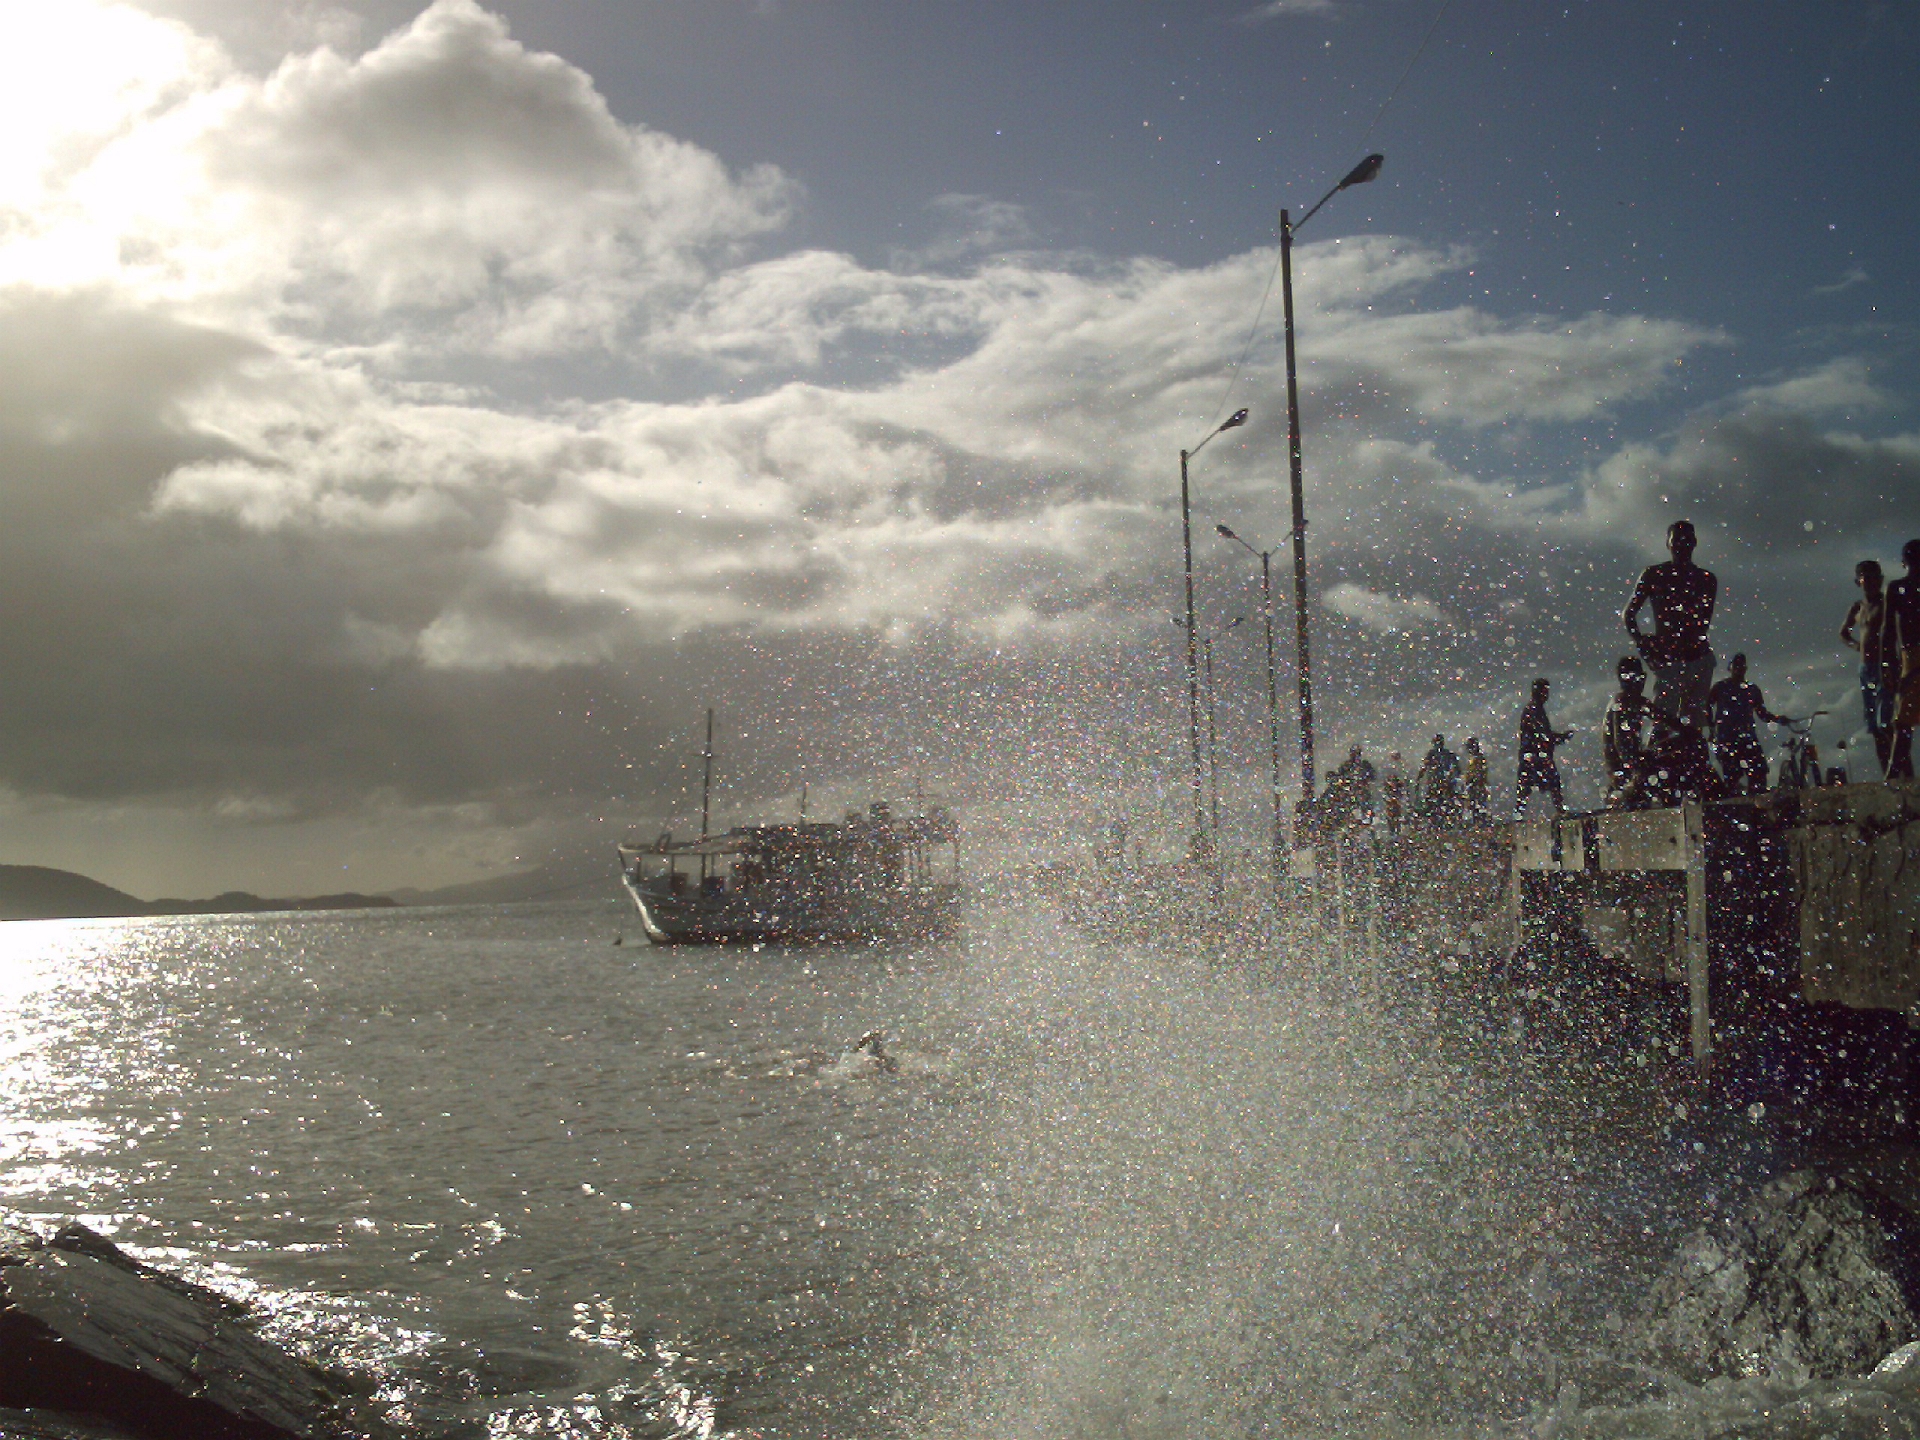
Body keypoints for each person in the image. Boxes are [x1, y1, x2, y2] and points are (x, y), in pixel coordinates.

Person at [1624, 519, 1718, 731]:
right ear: (1668, 543)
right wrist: (1644, 647)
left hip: (1698, 658)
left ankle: (1691, 761)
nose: (1682, 546)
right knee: (1664, 724)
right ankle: (1659, 762)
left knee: (1693, 729)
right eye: (1677, 541)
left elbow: (1702, 623)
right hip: (1670, 660)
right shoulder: (1655, 575)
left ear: (1694, 543)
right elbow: (1629, 615)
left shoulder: (1706, 579)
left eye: (1686, 540)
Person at [1707, 653, 1786, 795]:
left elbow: (1762, 713)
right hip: (1727, 739)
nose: (1739, 668)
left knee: (1758, 771)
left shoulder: (1752, 689)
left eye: (1741, 665)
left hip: (1747, 738)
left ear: (1745, 668)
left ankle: (1758, 805)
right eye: (1736, 665)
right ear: (1730, 668)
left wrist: (1777, 718)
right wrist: (1712, 728)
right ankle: (1736, 806)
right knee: (1732, 777)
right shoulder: (1721, 687)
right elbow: (1706, 706)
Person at [1841, 559, 1892, 775]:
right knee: (1875, 726)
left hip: (1886, 666)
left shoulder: (1888, 603)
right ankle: (1887, 774)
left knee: (1888, 722)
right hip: (1865, 668)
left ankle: (1900, 771)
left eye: (1873, 577)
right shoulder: (1858, 607)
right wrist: (1856, 645)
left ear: (1880, 580)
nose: (1869, 582)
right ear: (1858, 581)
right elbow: (1844, 633)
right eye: (1865, 578)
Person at [1882, 539, 1920, 781]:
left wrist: (1889, 665)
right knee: (1904, 721)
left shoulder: (1897, 588)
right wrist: (1889, 666)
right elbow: (1887, 633)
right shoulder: (1897, 589)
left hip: (1911, 656)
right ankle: (1895, 775)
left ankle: (1894, 776)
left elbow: (1887, 633)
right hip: (1911, 656)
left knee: (1904, 722)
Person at [1514, 677, 1572, 818]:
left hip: (1533, 755)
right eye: (1544, 691)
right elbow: (1543, 735)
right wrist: (1561, 738)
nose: (1546, 695)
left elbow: (1542, 735)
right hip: (1536, 756)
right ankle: (1561, 810)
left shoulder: (1534, 709)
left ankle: (1518, 815)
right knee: (1551, 783)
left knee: (1527, 788)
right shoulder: (1534, 710)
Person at [1602, 656, 1654, 808]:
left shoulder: (1635, 701)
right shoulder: (1622, 704)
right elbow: (1621, 745)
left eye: (1639, 677)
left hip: (1625, 771)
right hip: (1623, 774)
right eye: (1630, 678)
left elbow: (1661, 716)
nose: (1637, 682)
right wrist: (1637, 769)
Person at [1415, 735, 1461, 827]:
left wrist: (1418, 779)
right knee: (1441, 803)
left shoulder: (1434, 754)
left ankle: (1438, 822)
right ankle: (1440, 822)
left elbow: (1424, 767)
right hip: (1440, 783)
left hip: (1437, 783)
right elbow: (1457, 769)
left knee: (1436, 804)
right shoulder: (1446, 754)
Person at [1463, 738, 1489, 823]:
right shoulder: (1476, 758)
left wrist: (1471, 781)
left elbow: (1477, 773)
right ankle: (1478, 821)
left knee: (1477, 805)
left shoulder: (1477, 758)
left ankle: (1480, 822)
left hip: (1477, 786)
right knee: (1475, 805)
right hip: (1476, 786)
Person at [1382, 752, 1406, 834]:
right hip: (1391, 795)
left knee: (1397, 813)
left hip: (1397, 795)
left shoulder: (1402, 767)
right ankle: (1392, 830)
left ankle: (1397, 830)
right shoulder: (1388, 768)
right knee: (1391, 814)